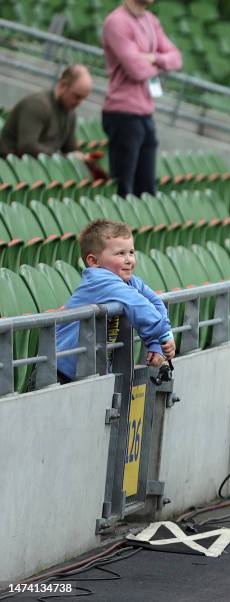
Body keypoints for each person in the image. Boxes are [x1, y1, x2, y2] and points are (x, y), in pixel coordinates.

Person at [56, 219, 175, 382]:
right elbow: (138, 304)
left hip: (88, 374)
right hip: (59, 375)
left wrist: (156, 343)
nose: (129, 260)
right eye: (120, 253)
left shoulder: (128, 281)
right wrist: (163, 335)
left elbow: (154, 303)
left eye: (131, 252)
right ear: (93, 261)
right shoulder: (100, 280)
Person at [102, 0, 182, 198]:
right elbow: (136, 69)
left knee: (146, 190)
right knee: (122, 188)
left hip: (146, 113)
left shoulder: (151, 21)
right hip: (123, 113)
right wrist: (157, 63)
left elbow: (176, 58)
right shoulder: (116, 22)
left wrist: (153, 58)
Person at [0, 65, 92, 157]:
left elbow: (70, 150)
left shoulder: (69, 113)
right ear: (63, 85)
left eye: (83, 98)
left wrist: (83, 157)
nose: (79, 103)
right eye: (77, 97)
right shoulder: (37, 105)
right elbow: (27, 148)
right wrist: (62, 157)